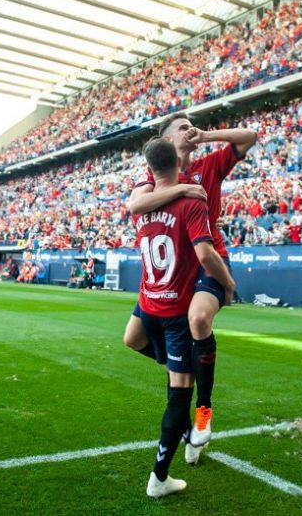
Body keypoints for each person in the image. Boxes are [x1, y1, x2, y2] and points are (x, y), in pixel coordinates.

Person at [124, 112, 257, 460]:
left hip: (209, 257)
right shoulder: (155, 175)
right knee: (133, 339)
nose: (189, 129)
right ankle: (182, 368)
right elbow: (134, 204)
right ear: (166, 140)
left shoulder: (211, 165)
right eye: (182, 127)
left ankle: (204, 412)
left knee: (198, 319)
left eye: (191, 125)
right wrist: (183, 187)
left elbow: (249, 136)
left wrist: (207, 134)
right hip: (175, 269)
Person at [133, 137, 236, 498]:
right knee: (179, 396)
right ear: (176, 163)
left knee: (137, 341)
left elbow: (138, 204)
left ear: (150, 168)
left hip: (149, 303)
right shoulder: (190, 200)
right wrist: (228, 283)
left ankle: (199, 412)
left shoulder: (143, 202)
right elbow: (206, 256)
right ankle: (159, 478)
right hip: (173, 310)